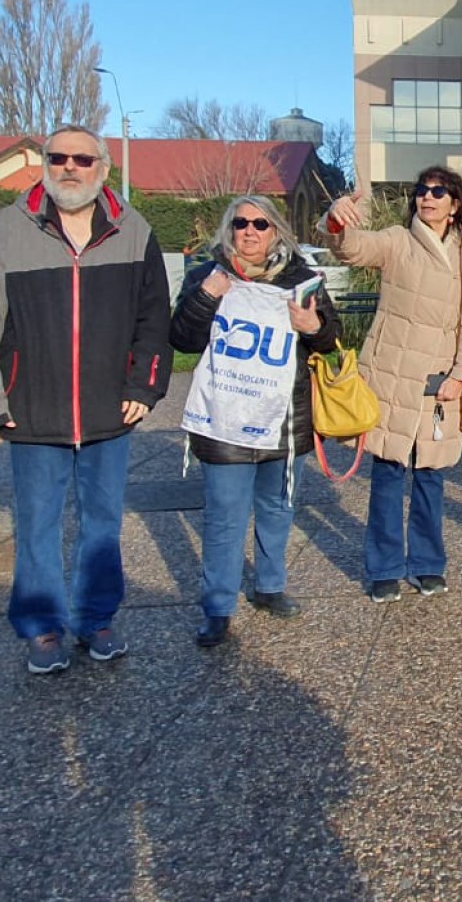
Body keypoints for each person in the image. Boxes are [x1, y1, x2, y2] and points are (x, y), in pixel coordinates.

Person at [0, 125, 172, 674]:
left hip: (109, 408)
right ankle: (42, 627)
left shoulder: (133, 230)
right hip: (32, 407)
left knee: (102, 524)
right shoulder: (4, 231)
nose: (69, 168)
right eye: (58, 158)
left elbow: (153, 321)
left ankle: (97, 619)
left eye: (82, 159)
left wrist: (144, 386)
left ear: (103, 168)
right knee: (37, 525)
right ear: (45, 164)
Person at [169, 196, 342, 647]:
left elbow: (330, 339)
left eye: (260, 224)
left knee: (277, 509)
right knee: (225, 518)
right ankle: (218, 607)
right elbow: (182, 338)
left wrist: (312, 325)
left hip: (283, 420)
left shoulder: (302, 280)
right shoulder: (207, 276)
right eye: (241, 223)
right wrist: (207, 297)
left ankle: (270, 587)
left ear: (276, 231)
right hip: (223, 422)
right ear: (229, 229)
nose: (249, 231)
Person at [323, 168, 462, 602]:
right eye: (421, 191)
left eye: (438, 191)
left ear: (455, 204)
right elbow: (352, 249)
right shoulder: (397, 240)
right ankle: (384, 568)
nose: (427, 198)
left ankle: (428, 564)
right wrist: (337, 220)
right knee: (388, 472)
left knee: (431, 475)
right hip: (391, 375)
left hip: (439, 382)